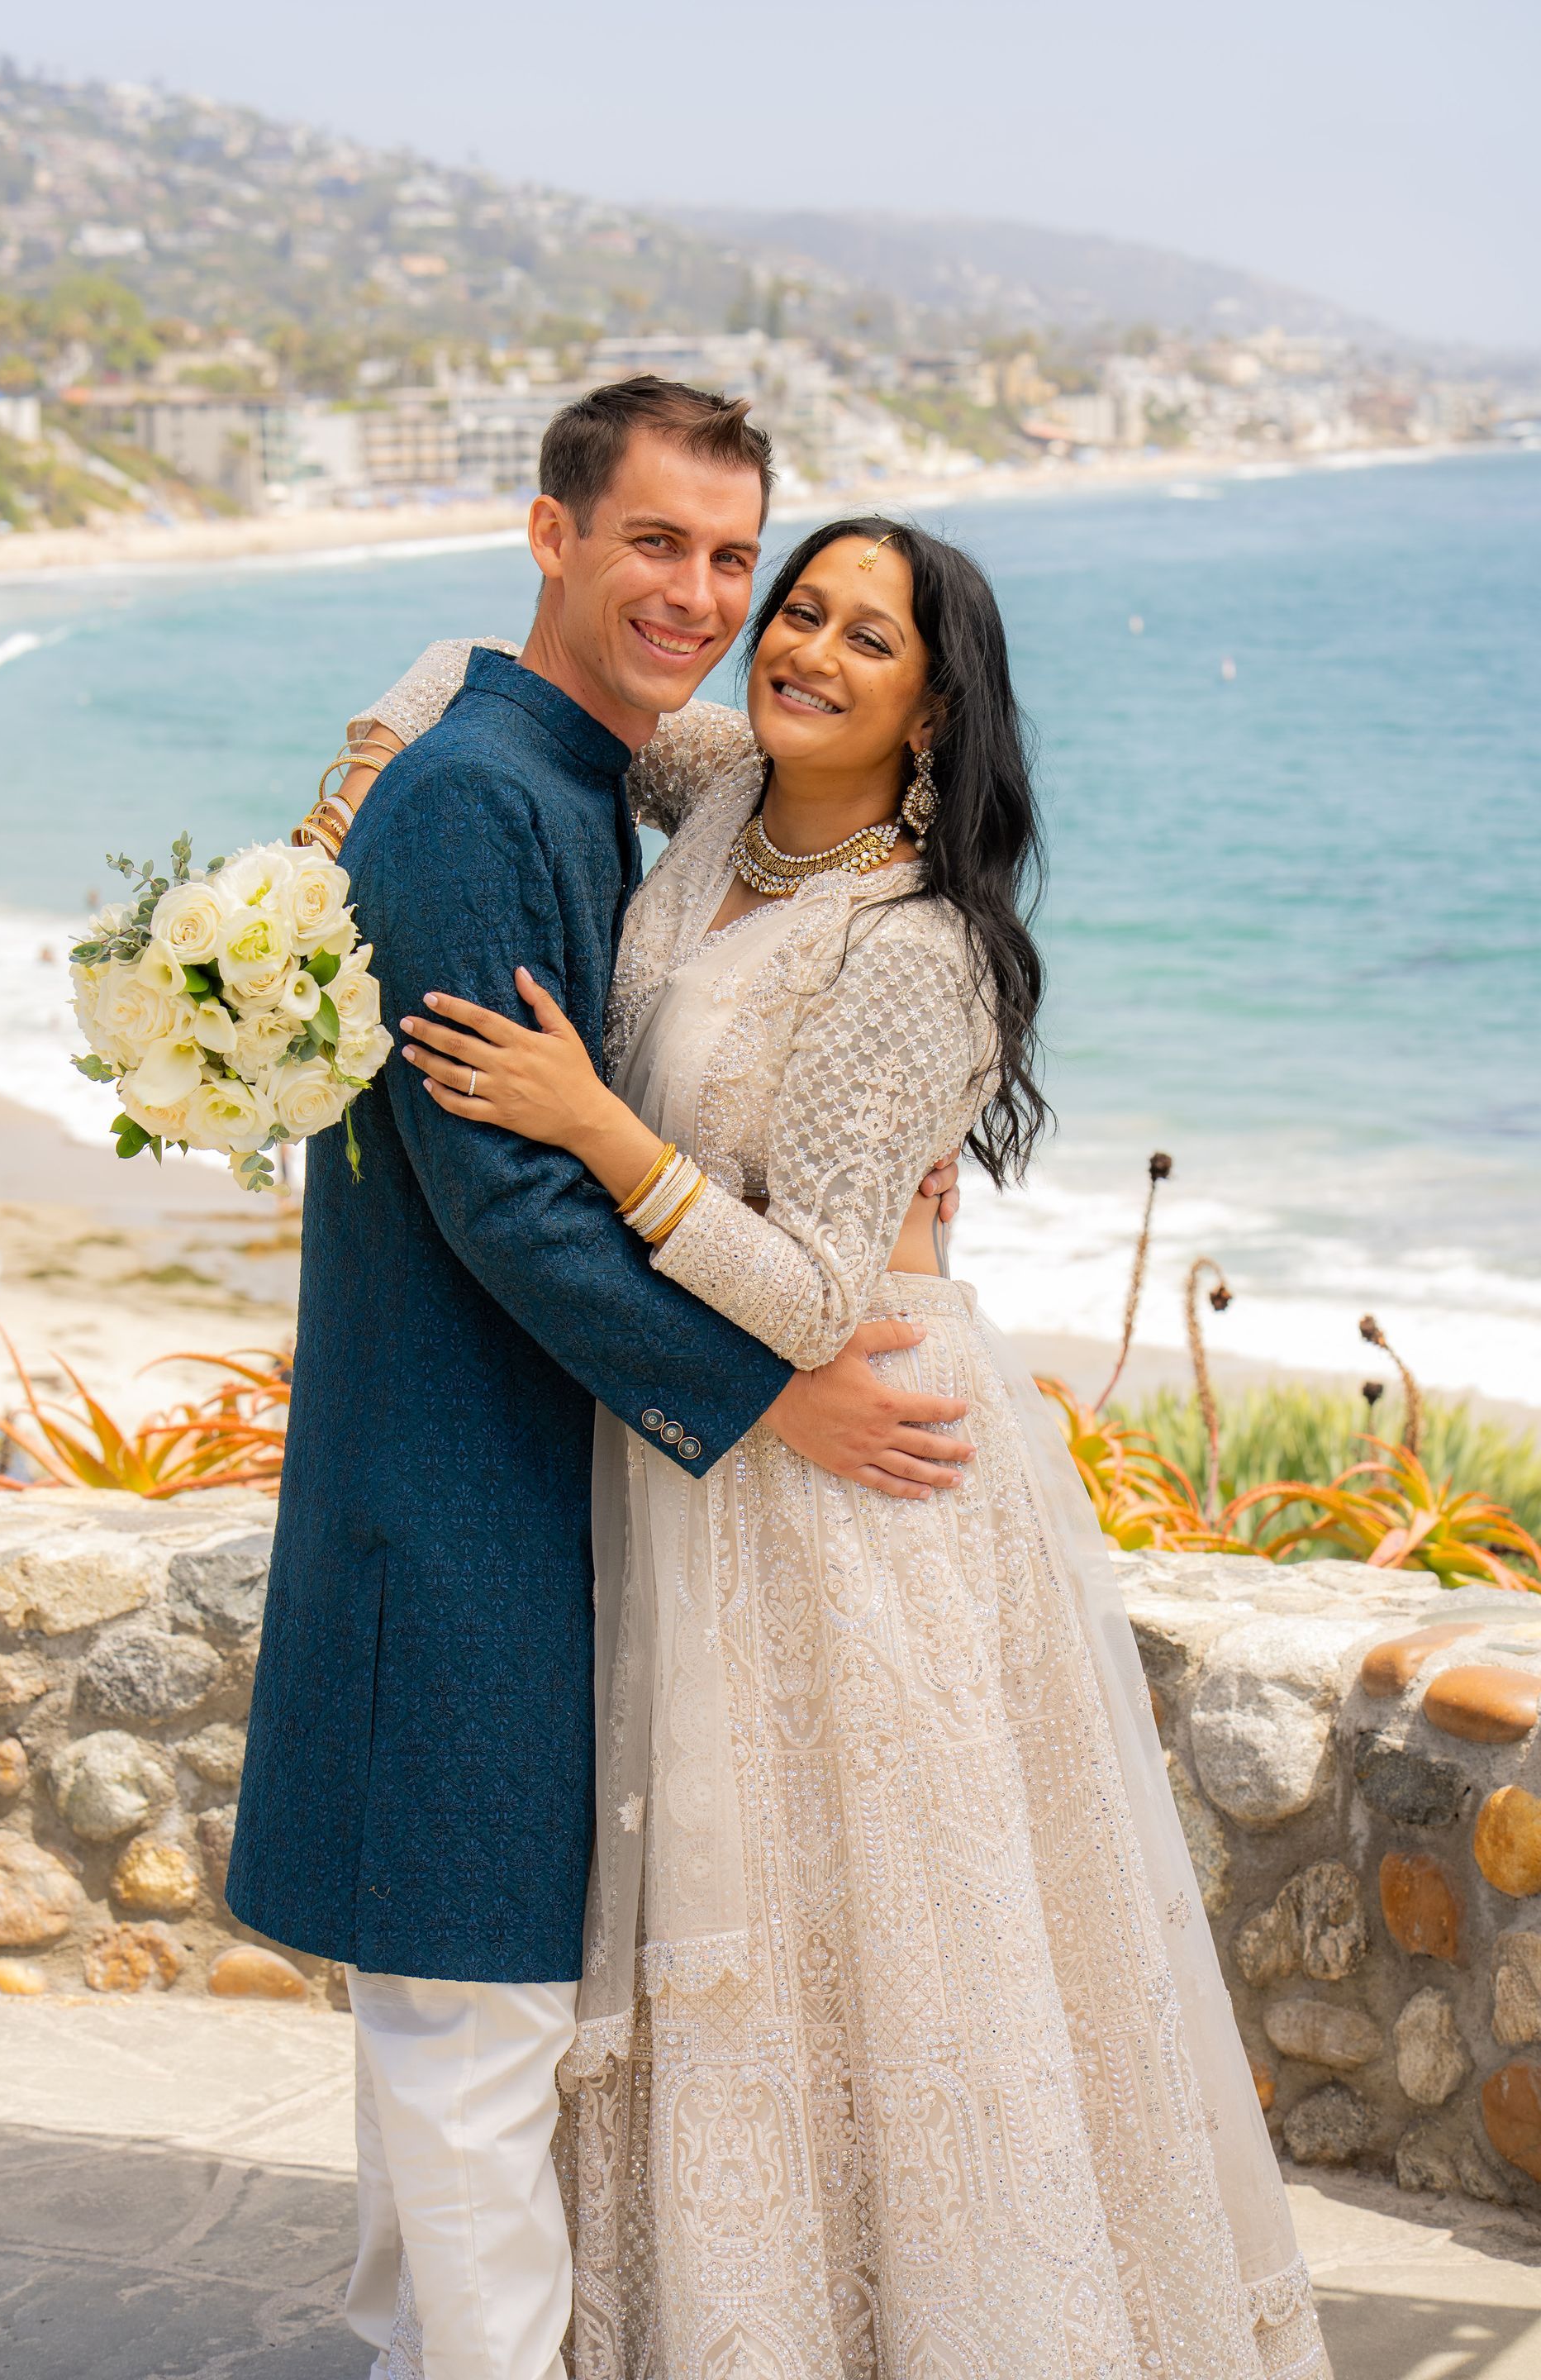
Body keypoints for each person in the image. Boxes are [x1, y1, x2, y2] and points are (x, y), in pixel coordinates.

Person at [372, 518, 1330, 2378]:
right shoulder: (726, 786)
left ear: (937, 702)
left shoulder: (920, 955)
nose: (796, 647)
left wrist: (589, 1122)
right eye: (795, 608)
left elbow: (817, 1292)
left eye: (859, 638)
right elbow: (497, 691)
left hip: (855, 1475)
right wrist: (343, 814)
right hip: (694, 1454)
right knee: (740, 1940)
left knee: (886, 1941)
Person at [227, 379, 974, 2380]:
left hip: (492, 1487)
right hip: (463, 1499)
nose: (708, 598)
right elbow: (511, 1211)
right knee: (476, 2034)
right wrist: (770, 1399)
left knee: (453, 2036)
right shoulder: (494, 797)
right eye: (660, 543)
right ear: (550, 530)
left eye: (736, 559)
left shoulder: (599, 770)